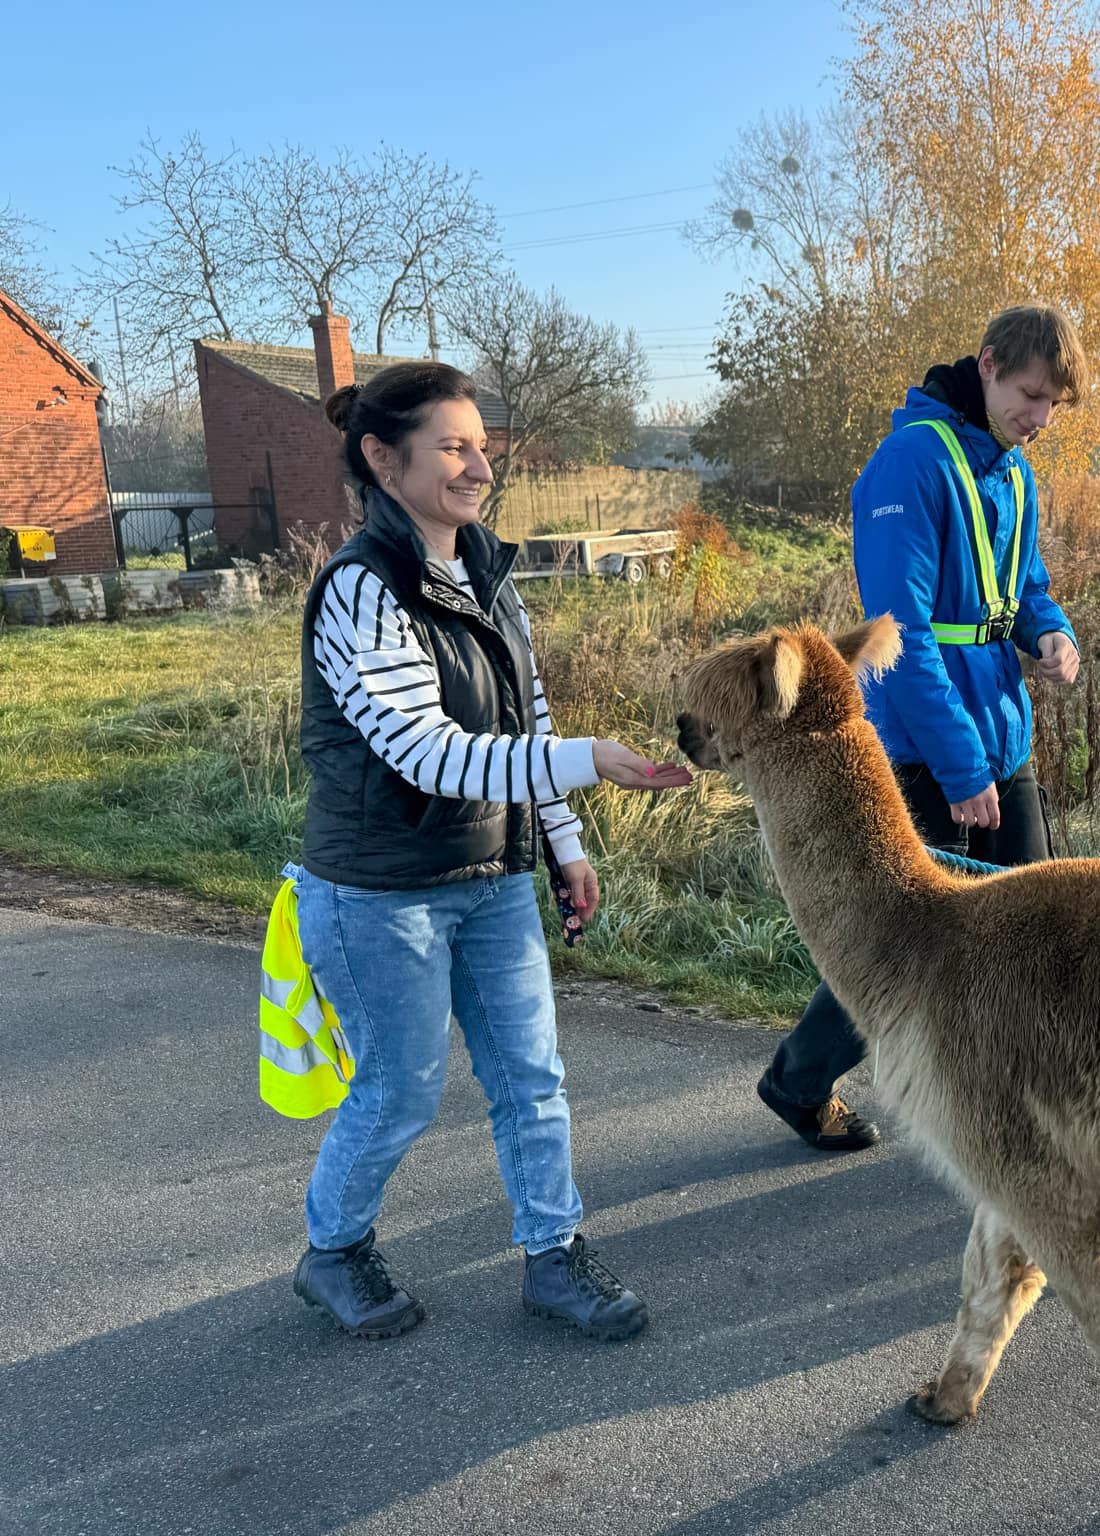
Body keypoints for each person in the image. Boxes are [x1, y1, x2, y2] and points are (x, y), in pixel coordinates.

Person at [290, 362, 692, 1341]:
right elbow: (422, 751)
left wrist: (563, 842)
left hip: (495, 877)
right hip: (380, 893)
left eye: (481, 444)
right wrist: (588, 763)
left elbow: (526, 710)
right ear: (384, 460)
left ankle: (554, 1257)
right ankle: (331, 1250)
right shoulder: (358, 589)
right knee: (398, 1094)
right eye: (454, 447)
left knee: (532, 1080)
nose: (479, 466)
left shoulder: (481, 567)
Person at [755, 305, 1087, 1151]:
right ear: (986, 364)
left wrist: (1051, 634)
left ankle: (1018, 1106)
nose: (1040, 418)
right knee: (900, 949)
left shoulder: (1011, 468)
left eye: (1053, 404)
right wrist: (961, 766)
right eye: (1029, 395)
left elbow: (1026, 585)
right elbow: (899, 633)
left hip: (999, 735)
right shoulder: (908, 465)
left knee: (1034, 930)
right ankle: (798, 1081)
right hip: (929, 747)